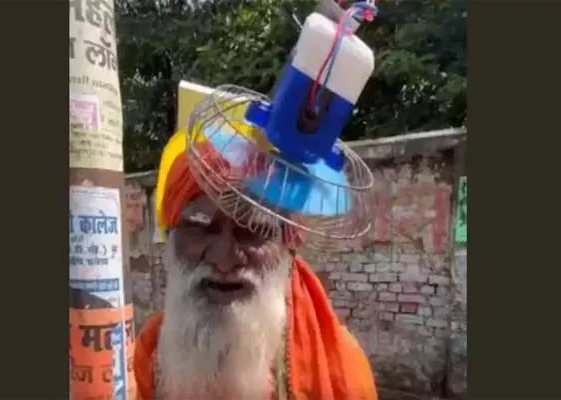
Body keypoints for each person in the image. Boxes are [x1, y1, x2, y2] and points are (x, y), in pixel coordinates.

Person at [133, 129, 378, 399]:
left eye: (254, 229)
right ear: (171, 238)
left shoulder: (343, 370)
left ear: (288, 248)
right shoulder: (153, 350)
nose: (224, 261)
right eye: (201, 227)